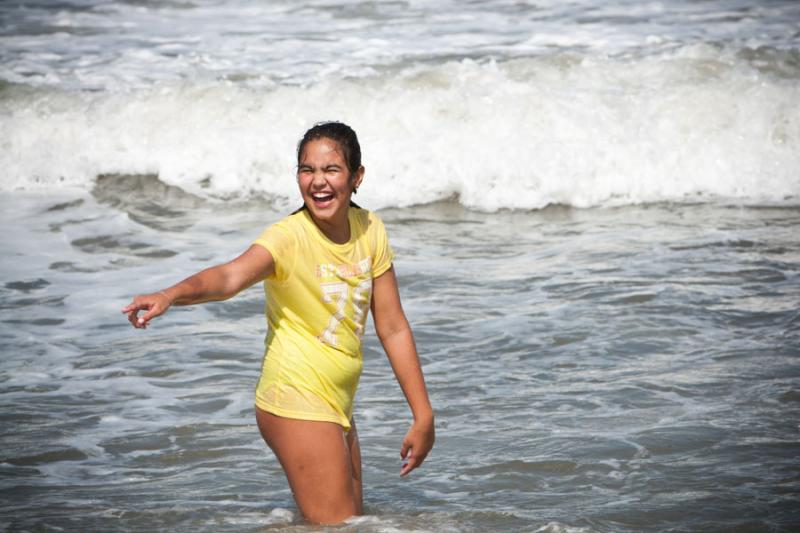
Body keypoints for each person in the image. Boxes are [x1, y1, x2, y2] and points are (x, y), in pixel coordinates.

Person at [122, 121, 435, 525]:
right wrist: (171, 294)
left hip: (336, 401)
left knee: (349, 522)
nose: (318, 182)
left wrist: (422, 413)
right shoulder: (288, 237)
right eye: (307, 170)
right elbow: (230, 277)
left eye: (331, 170)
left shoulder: (370, 229)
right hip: (295, 398)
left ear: (357, 177)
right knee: (340, 526)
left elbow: (392, 326)